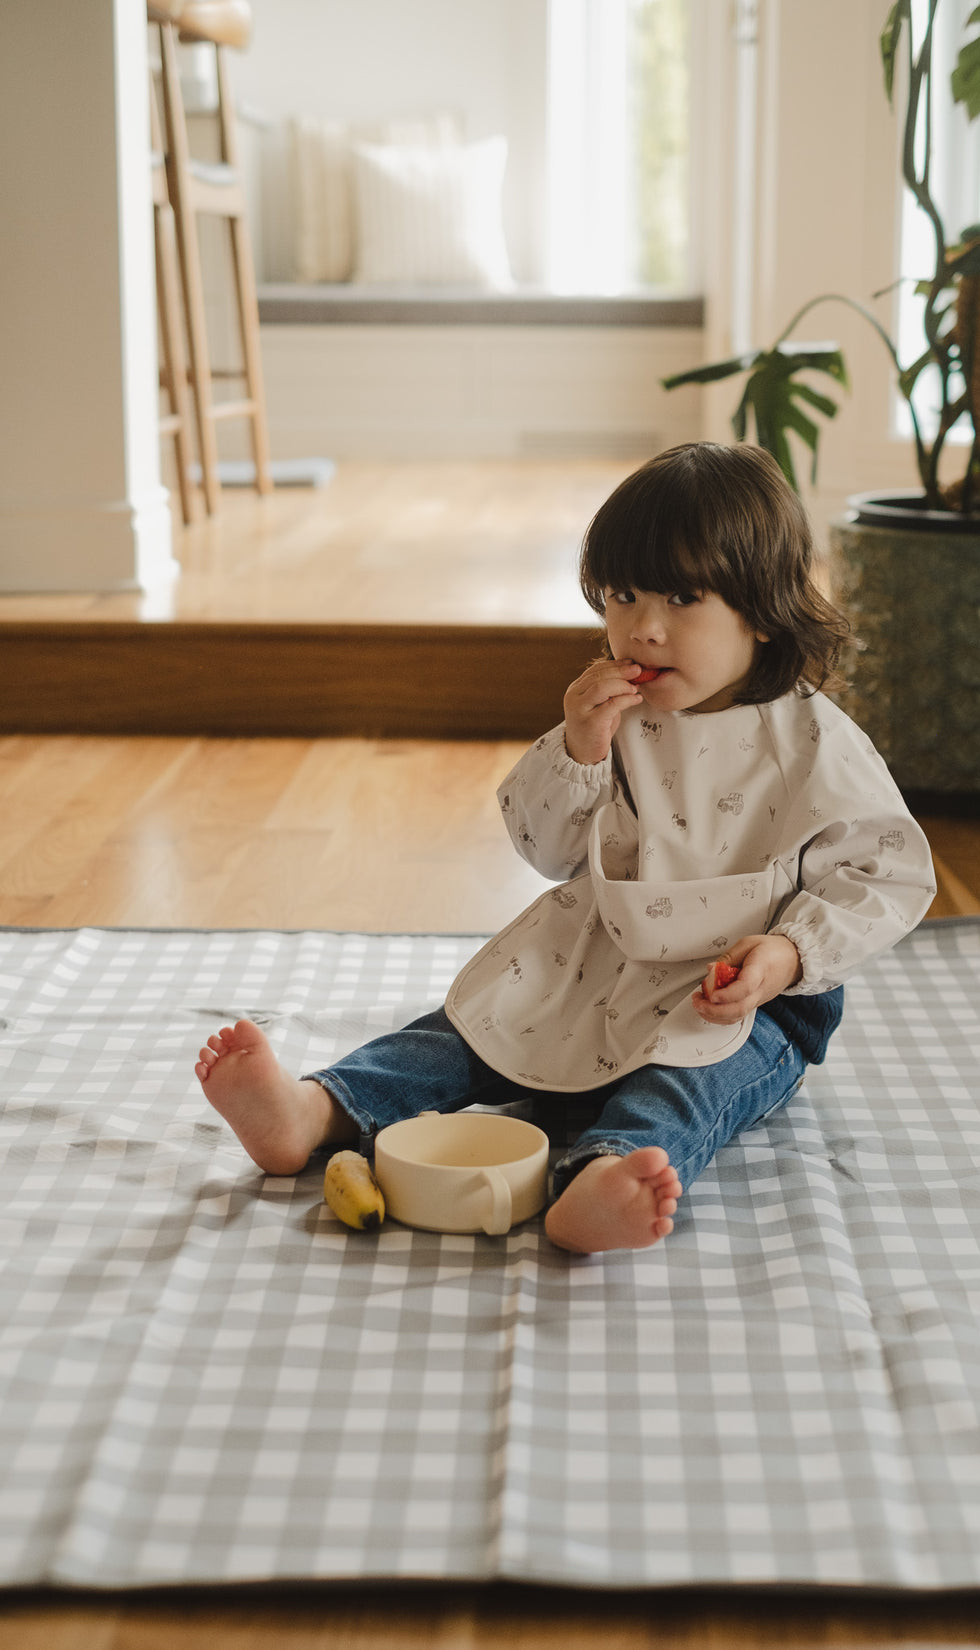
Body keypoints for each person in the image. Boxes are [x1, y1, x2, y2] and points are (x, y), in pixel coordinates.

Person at [196, 443, 936, 1254]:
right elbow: (545, 849)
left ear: (762, 610)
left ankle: (603, 1176)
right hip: (597, 960)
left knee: (688, 1082)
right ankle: (317, 1110)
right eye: (623, 596)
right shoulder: (614, 717)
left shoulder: (813, 739)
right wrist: (579, 749)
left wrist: (791, 954)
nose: (644, 628)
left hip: (741, 996)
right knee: (470, 1029)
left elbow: (887, 874)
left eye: (682, 598)